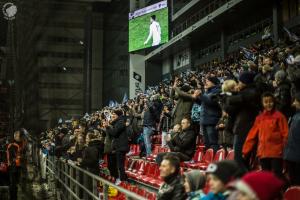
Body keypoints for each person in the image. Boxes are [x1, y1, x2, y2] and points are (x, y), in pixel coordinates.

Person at [243, 92, 288, 178]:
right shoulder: (259, 118)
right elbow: (252, 136)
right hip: (263, 154)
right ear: (262, 103)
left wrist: (284, 151)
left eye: (270, 101)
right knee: (265, 177)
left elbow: (285, 135)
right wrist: (245, 151)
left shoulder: (280, 117)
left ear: (274, 102)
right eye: (266, 102)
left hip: (276, 153)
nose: (268, 104)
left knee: (276, 177)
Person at [224, 71, 260, 170]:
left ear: (245, 82)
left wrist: (229, 98)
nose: (238, 84)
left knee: (239, 159)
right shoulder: (247, 92)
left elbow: (230, 109)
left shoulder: (248, 93)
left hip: (244, 129)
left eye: (240, 81)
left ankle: (244, 181)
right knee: (241, 159)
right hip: (243, 127)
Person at [195, 76, 222, 152]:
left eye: (208, 81)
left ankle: (215, 162)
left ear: (213, 82)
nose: (205, 83)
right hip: (205, 120)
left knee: (213, 142)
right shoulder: (207, 92)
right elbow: (202, 102)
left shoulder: (217, 91)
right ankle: (209, 161)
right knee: (207, 143)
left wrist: (201, 95)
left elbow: (211, 102)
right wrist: (196, 98)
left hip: (212, 121)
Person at [106, 109, 129, 184]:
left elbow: (114, 133)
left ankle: (123, 180)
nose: (112, 116)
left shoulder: (120, 122)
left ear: (118, 115)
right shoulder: (117, 123)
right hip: (119, 147)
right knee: (118, 165)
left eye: (114, 115)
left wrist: (108, 127)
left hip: (121, 147)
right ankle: (122, 178)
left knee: (120, 165)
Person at [284, 92, 300, 185]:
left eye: (296, 101)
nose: (293, 103)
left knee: (296, 183)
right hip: (292, 155)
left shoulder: (297, 118)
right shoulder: (295, 116)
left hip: (295, 157)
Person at [6, 131, 23, 200]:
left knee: (15, 184)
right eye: (19, 136)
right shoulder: (12, 145)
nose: (20, 137)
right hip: (13, 168)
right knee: (13, 185)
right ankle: (13, 198)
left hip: (16, 167)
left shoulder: (17, 145)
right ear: (15, 137)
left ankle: (14, 197)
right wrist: (18, 158)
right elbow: (11, 158)